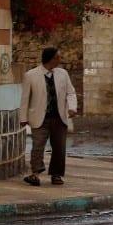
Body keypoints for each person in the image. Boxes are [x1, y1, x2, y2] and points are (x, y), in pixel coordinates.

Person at [20, 46, 78, 186]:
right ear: (50, 59)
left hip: (59, 117)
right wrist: (23, 118)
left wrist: (72, 107)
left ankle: (56, 174)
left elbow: (71, 92)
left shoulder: (63, 74)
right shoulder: (31, 75)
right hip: (39, 117)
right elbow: (25, 98)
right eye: (58, 57)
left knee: (59, 147)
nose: (60, 60)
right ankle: (35, 174)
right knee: (38, 146)